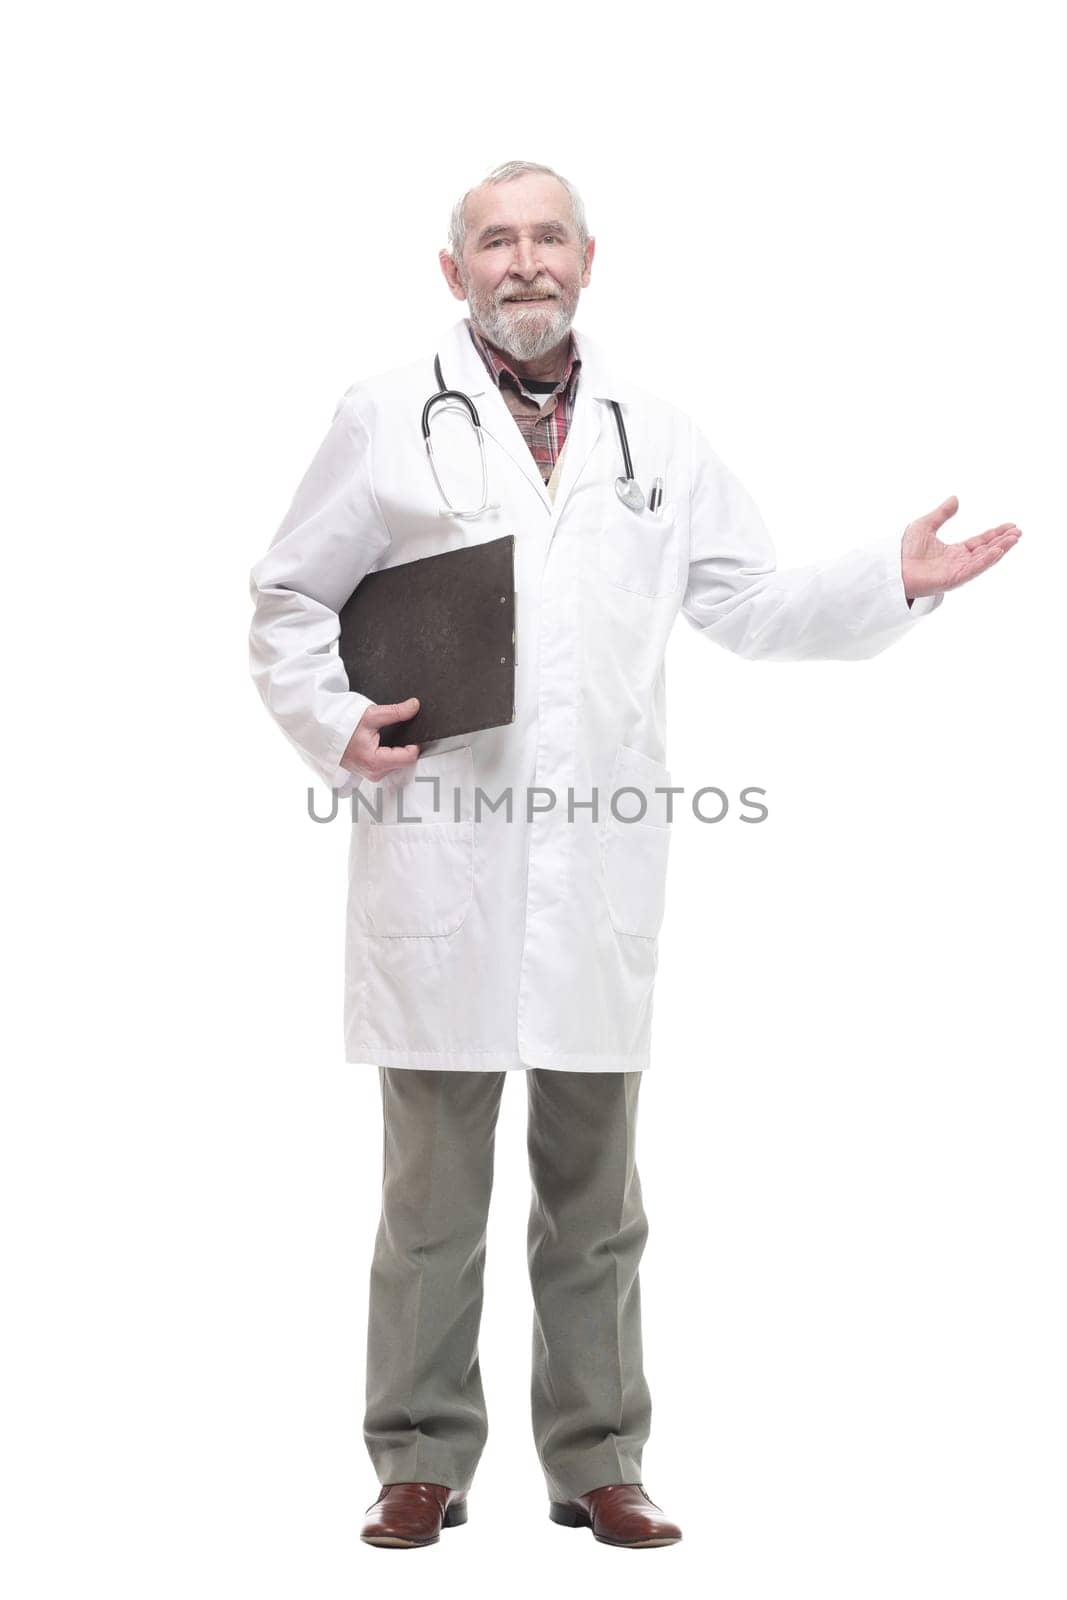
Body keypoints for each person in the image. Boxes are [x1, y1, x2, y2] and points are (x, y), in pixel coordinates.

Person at [248, 159, 1021, 1551]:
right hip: (444, 857)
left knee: (595, 1203)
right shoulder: (382, 418)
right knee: (431, 1201)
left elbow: (755, 603)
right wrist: (336, 719)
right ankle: (419, 1458)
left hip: (596, 879)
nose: (524, 261)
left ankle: (600, 1460)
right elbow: (291, 595)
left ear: (590, 261)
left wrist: (888, 582)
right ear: (454, 272)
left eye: (548, 237)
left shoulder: (653, 435)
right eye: (496, 241)